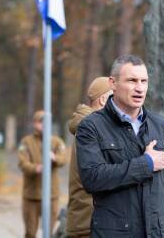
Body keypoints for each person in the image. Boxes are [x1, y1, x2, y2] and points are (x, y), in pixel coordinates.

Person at [76, 55, 164, 237]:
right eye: (132, 80)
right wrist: (146, 164)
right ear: (113, 83)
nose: (139, 88)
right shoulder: (91, 127)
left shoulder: (162, 126)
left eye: (144, 81)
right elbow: (92, 178)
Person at [66, 77, 112, 238]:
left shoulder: (90, 126)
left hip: (87, 219)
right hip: (87, 222)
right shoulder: (91, 129)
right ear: (104, 99)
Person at [18, 110, 67, 238]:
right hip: (31, 196)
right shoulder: (26, 142)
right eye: (41, 122)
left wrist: (54, 157)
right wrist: (36, 168)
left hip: (51, 195)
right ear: (35, 123)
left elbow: (63, 159)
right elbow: (22, 163)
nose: (44, 125)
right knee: (30, 232)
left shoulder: (56, 141)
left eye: (47, 122)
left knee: (49, 233)